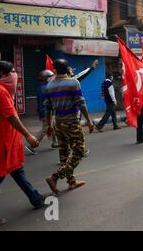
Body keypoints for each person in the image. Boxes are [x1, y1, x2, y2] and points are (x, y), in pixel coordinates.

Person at [0, 61, 48, 230]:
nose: (15, 75)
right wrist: (29, 135)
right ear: (2, 74)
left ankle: (36, 199)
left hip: (2, 142)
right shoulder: (0, 91)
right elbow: (11, 116)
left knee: (17, 171)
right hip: (2, 143)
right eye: (12, 72)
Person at [44, 59, 94, 195]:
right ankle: (54, 177)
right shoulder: (73, 82)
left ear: (55, 70)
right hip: (71, 121)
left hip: (58, 123)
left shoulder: (49, 85)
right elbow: (81, 103)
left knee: (64, 154)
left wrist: (49, 125)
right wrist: (89, 121)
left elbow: (47, 108)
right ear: (67, 69)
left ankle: (71, 181)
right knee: (79, 151)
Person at [32, 70, 58, 154]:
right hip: (46, 111)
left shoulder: (42, 86)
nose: (52, 78)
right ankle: (32, 144)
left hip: (44, 110)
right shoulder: (46, 87)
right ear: (46, 78)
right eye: (50, 77)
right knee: (45, 128)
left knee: (53, 126)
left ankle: (55, 142)